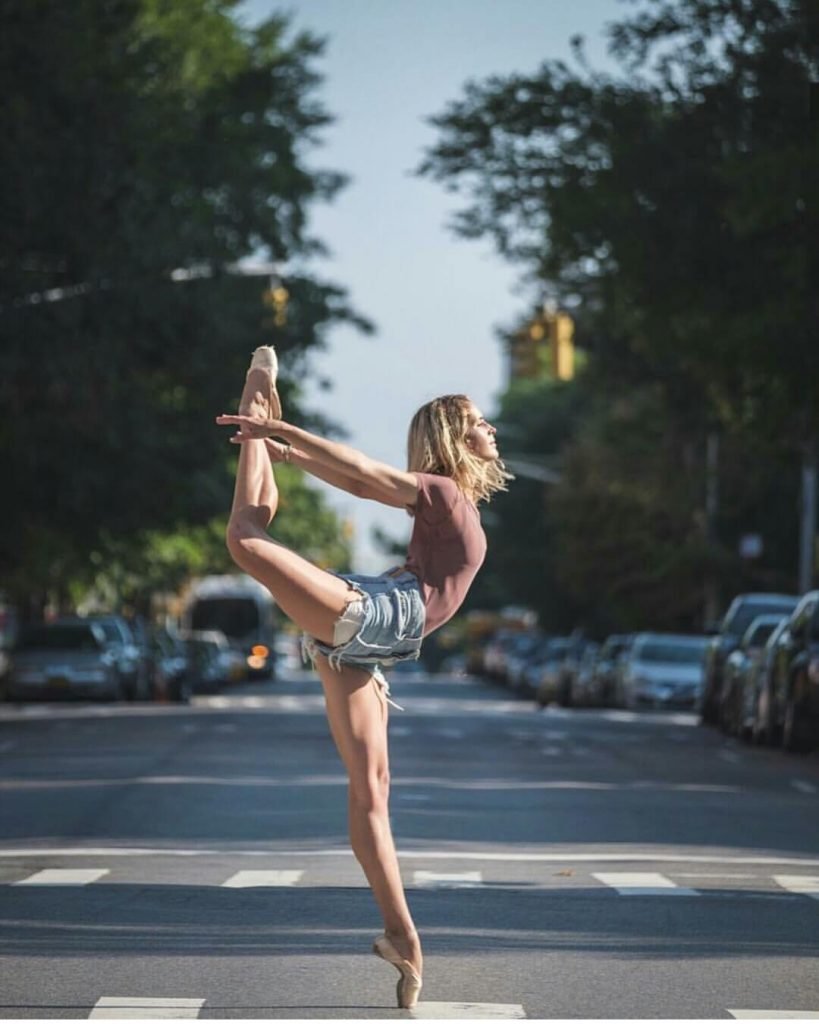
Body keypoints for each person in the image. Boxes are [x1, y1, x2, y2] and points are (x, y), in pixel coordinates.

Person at [216, 346, 511, 1009]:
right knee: (245, 539)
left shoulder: (448, 500)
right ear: (453, 437)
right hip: (373, 616)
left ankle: (402, 938)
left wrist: (284, 445)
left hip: (372, 639)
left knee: (369, 794)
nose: (491, 430)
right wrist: (282, 436)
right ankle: (258, 406)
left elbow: (357, 477)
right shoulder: (438, 491)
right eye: (480, 422)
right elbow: (362, 477)